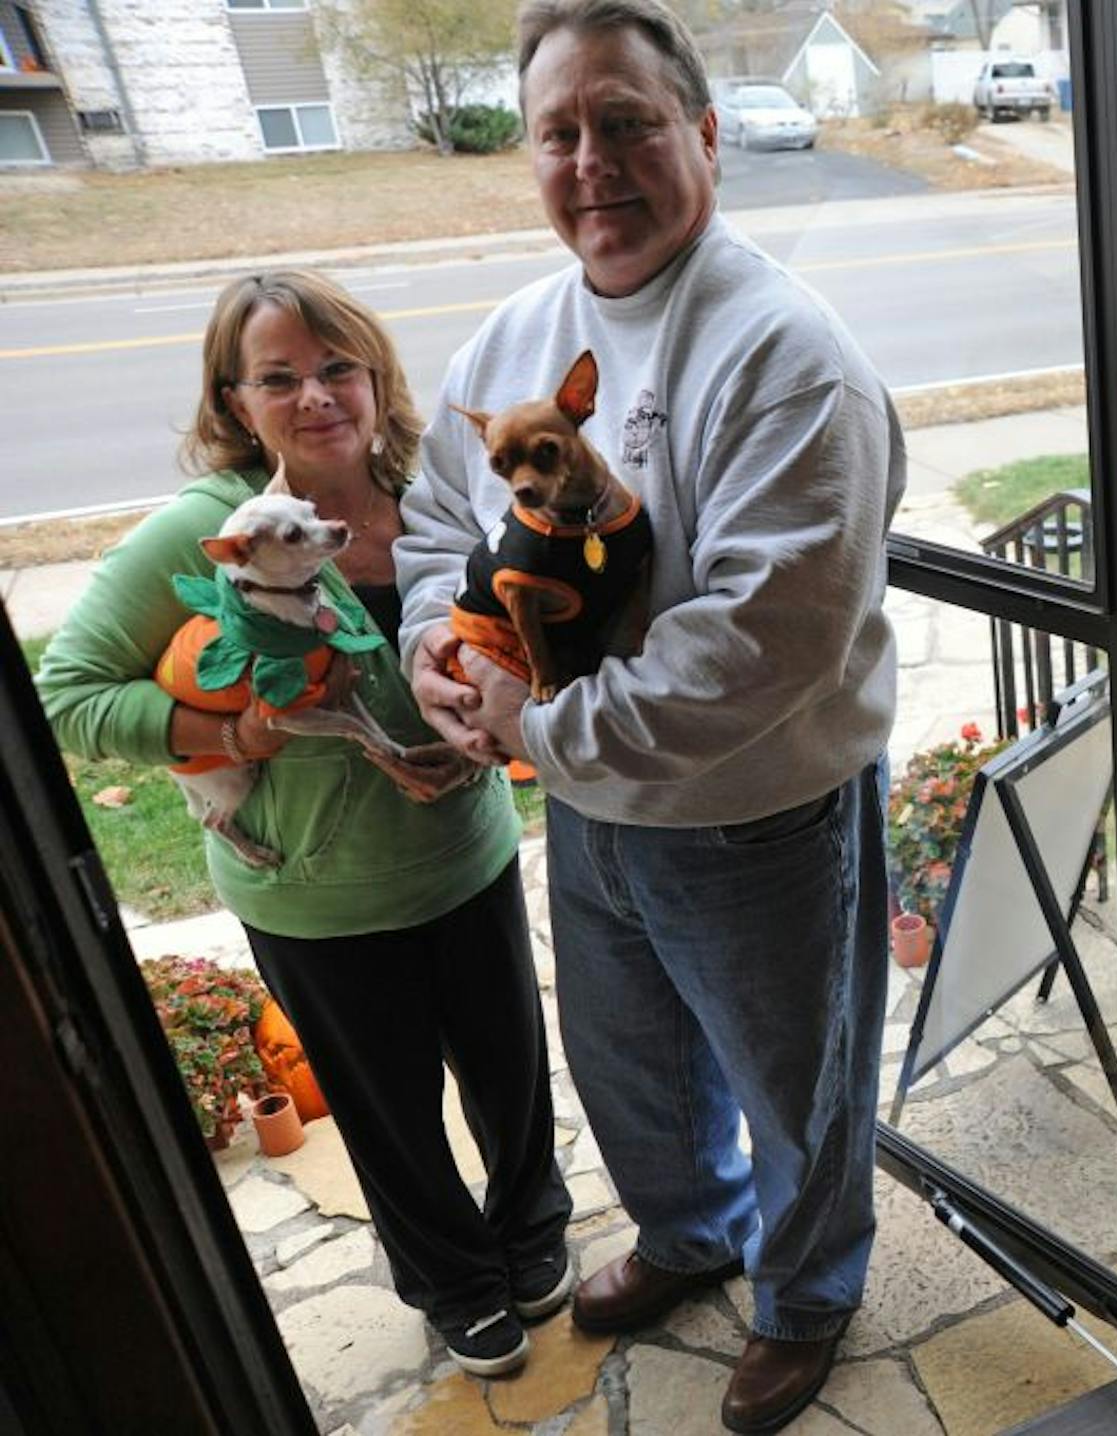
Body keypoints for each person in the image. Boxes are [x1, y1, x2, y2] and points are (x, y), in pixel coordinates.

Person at [394, 1, 904, 1428]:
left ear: (706, 137)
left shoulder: (785, 355)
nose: (592, 161)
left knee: (794, 1084)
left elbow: (764, 642)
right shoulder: (518, 340)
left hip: (753, 813)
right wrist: (438, 644)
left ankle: (807, 1298)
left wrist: (533, 727)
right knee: (631, 1063)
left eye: (627, 122)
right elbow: (442, 521)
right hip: (587, 803)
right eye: (560, 131)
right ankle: (690, 1238)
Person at [37, 271, 573, 1380]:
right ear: (235, 402)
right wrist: (227, 738)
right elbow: (66, 691)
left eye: (338, 366)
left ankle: (530, 1232)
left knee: (513, 1074)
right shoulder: (210, 533)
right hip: (321, 898)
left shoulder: (441, 489)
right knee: (388, 1114)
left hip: (466, 854)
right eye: (279, 377)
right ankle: (455, 1282)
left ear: (376, 376)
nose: (317, 394)